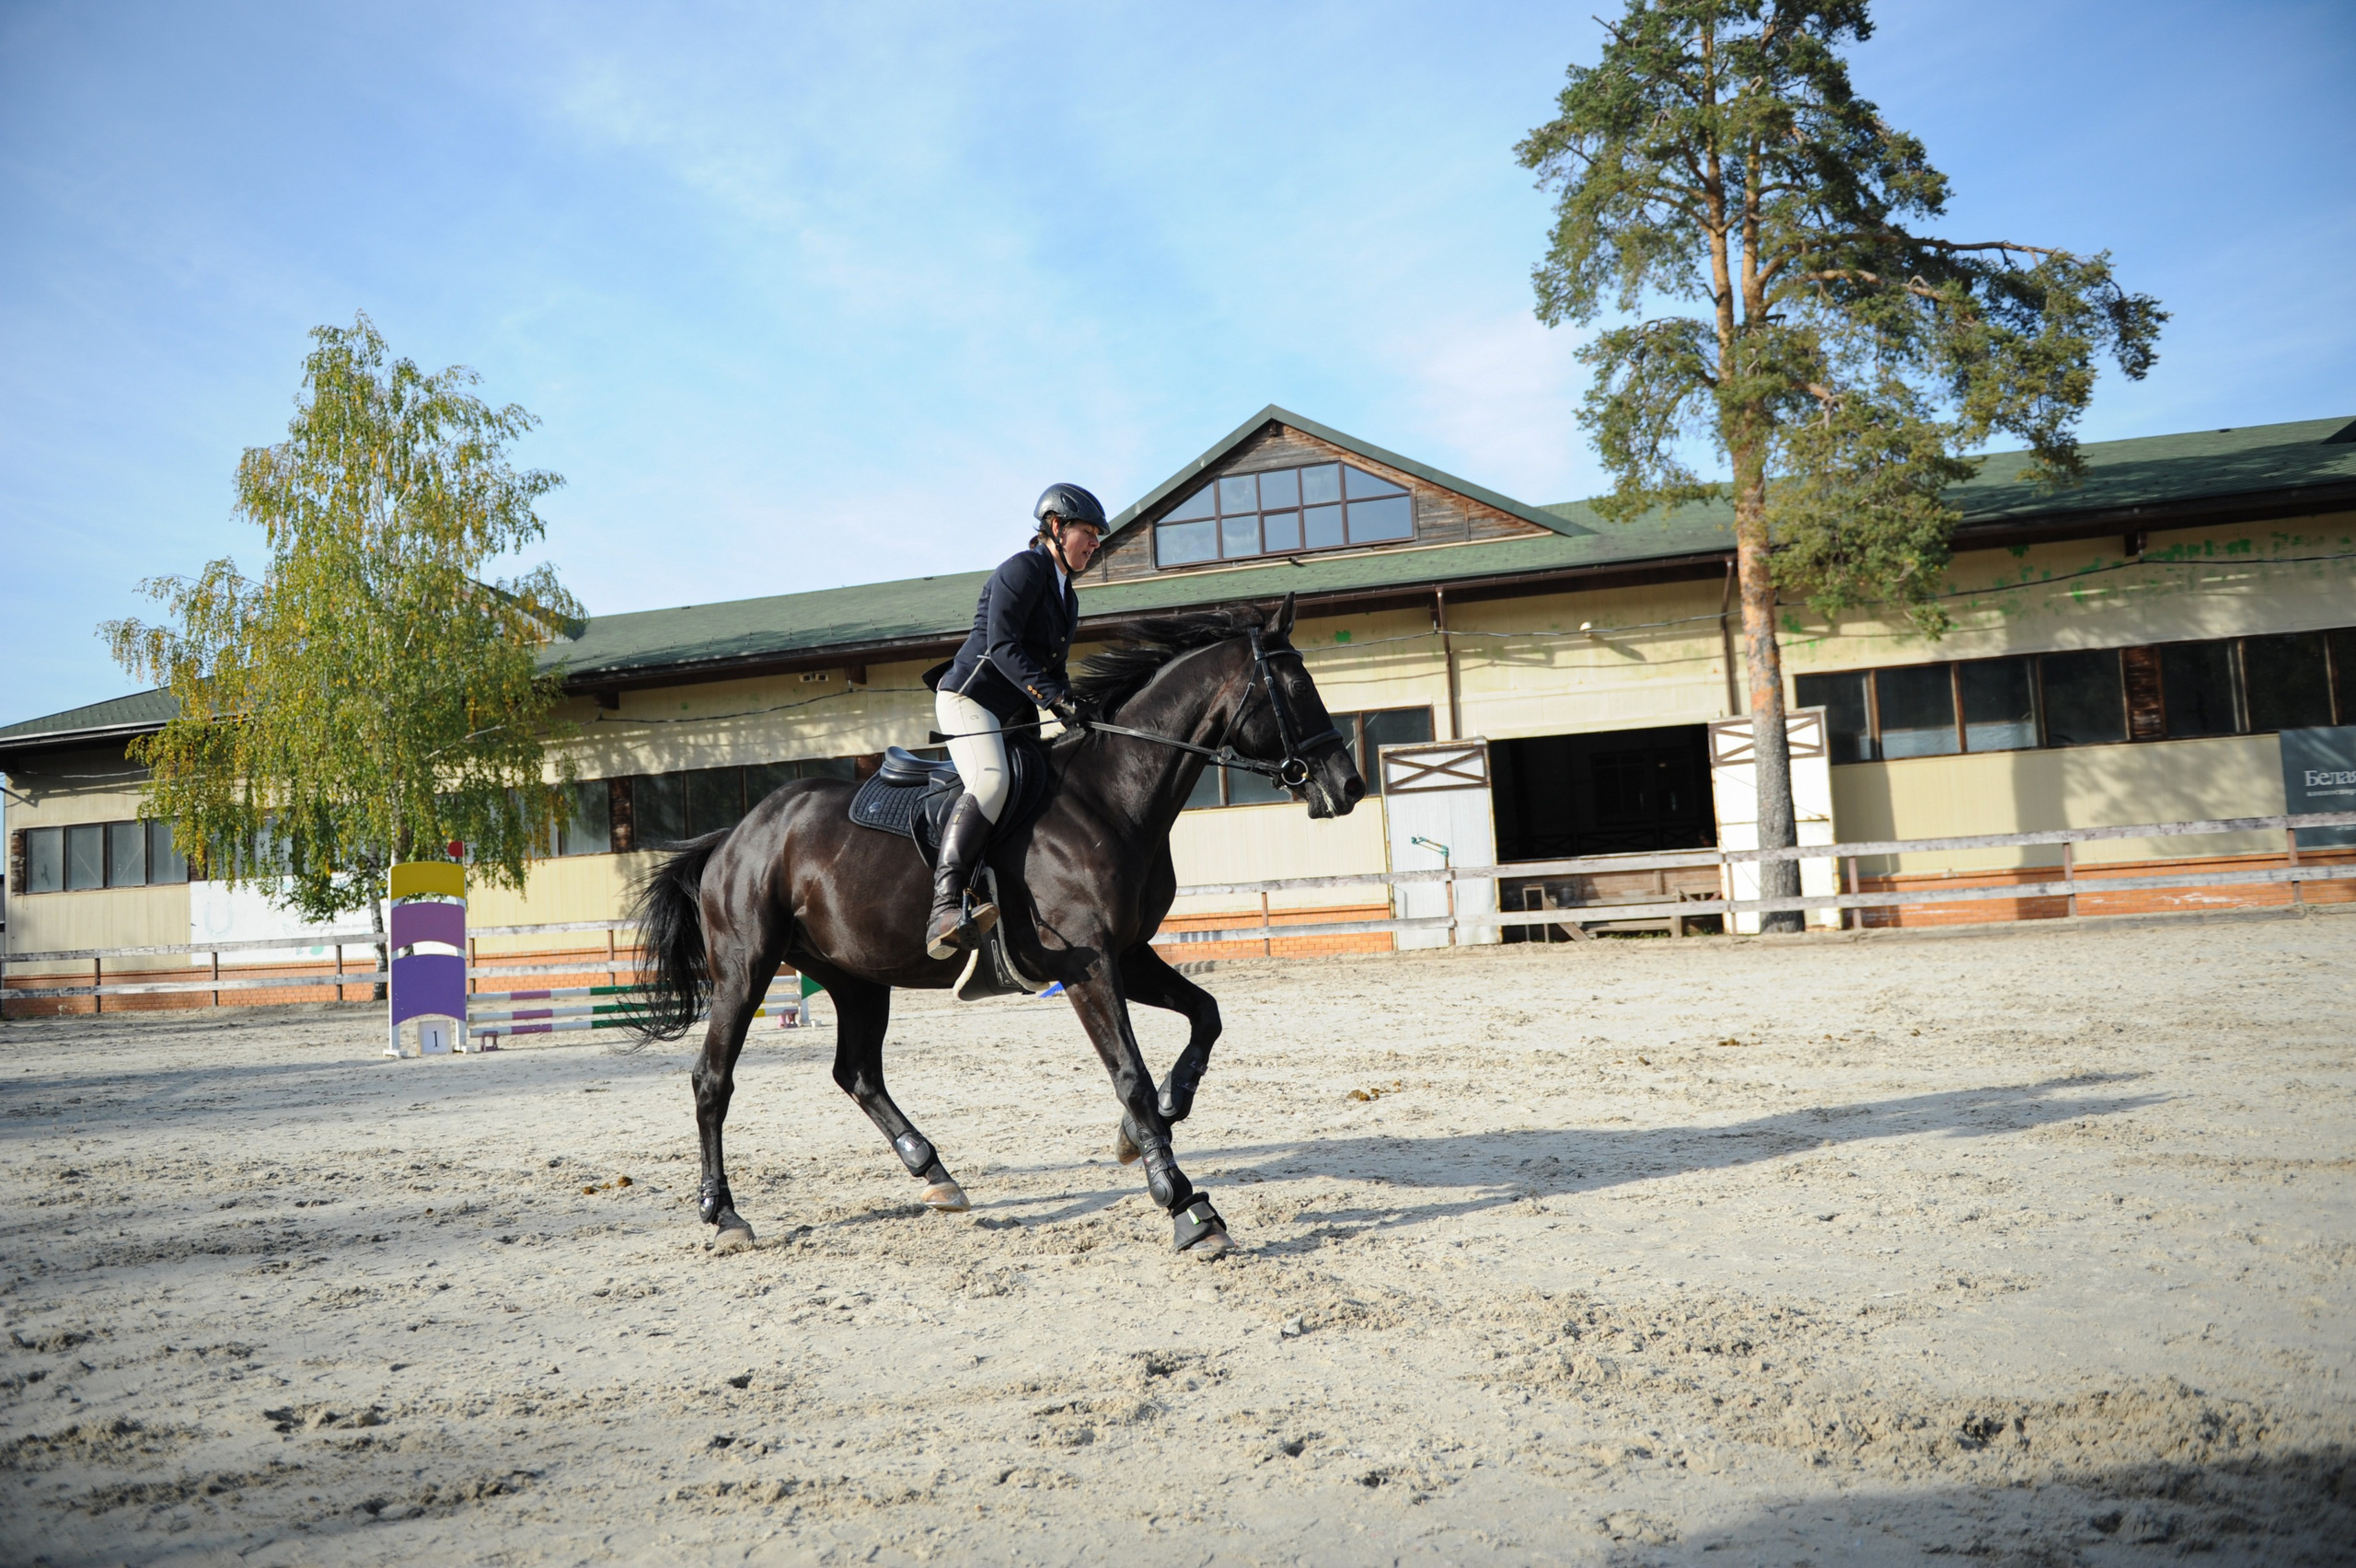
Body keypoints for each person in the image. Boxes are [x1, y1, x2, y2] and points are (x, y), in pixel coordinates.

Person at [925, 482, 1106, 959]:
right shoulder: (1022, 570)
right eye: (1088, 531)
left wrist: (1075, 711)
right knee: (991, 781)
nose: (1095, 543)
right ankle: (943, 907)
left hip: (1013, 713)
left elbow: (1053, 667)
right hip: (971, 699)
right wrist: (1054, 699)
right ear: (1055, 527)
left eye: (1098, 535)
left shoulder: (1068, 598)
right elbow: (1003, 648)